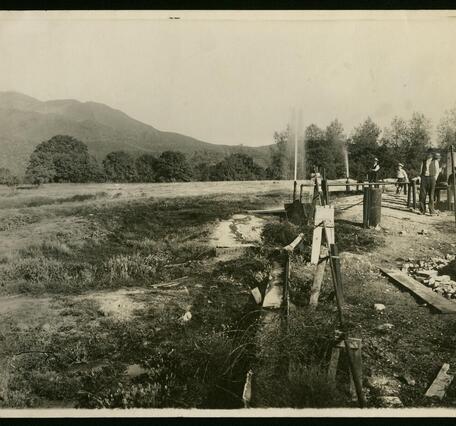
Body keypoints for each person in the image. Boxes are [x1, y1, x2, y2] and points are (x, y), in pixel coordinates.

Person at [419, 148, 440, 215]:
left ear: (432, 154)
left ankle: (432, 211)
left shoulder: (435, 161)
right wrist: (421, 178)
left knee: (431, 195)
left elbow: (437, 171)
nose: (429, 155)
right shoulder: (423, 161)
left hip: (432, 178)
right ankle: (422, 210)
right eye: (428, 153)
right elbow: (421, 170)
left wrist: (435, 178)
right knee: (422, 195)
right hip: (424, 178)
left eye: (430, 154)